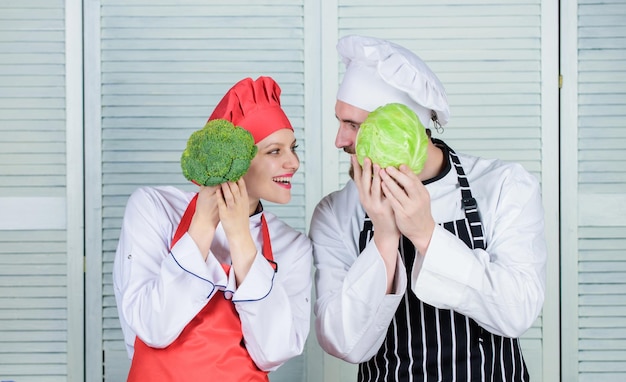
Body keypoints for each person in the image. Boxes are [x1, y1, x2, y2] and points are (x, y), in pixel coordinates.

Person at [310, 35, 547, 381]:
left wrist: (425, 234)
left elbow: (517, 312)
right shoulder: (334, 213)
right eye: (340, 121)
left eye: (354, 126)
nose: (340, 141)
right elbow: (345, 344)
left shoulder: (505, 186)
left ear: (401, 128)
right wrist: (384, 237)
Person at [113, 76, 312, 381]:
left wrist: (240, 238)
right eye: (275, 151)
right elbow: (153, 329)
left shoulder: (293, 246)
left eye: (293, 148)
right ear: (237, 160)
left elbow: (273, 353)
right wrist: (204, 224)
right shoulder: (154, 208)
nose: (294, 162)